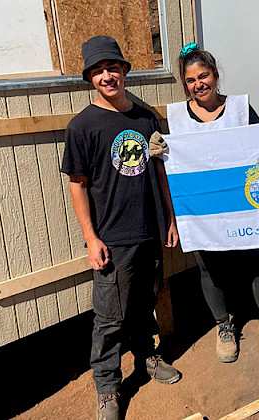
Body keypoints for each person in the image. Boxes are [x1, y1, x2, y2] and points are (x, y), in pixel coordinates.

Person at [151, 43, 259, 363]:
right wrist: (158, 151)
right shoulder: (177, 118)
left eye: (204, 76)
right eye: (190, 80)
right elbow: (172, 168)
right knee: (210, 268)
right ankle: (224, 327)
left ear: (216, 75)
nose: (198, 84)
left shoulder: (241, 108)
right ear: (184, 84)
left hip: (246, 205)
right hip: (202, 209)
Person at [61, 36, 181, 420]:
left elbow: (160, 171)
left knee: (145, 301)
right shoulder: (82, 126)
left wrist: (170, 217)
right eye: (98, 71)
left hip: (149, 229)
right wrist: (90, 237)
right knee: (110, 316)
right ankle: (108, 388)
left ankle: (147, 356)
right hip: (112, 237)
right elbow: (77, 184)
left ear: (125, 71)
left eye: (112, 68)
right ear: (89, 78)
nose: (107, 76)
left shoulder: (145, 117)